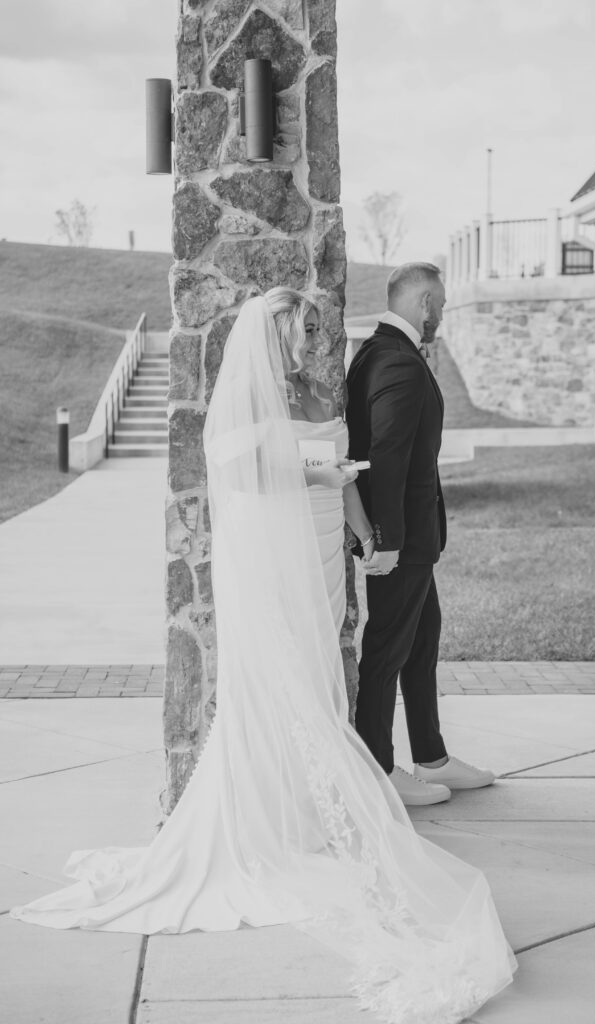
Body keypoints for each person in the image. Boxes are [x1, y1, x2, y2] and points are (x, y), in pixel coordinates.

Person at [10, 289, 515, 1023]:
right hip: (278, 570)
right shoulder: (242, 402)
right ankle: (276, 819)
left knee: (318, 680)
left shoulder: (316, 388)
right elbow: (240, 481)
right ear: (270, 334)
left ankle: (304, 810)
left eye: (314, 325)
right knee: (287, 692)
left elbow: (343, 465)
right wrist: (315, 476)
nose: (310, 336)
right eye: (299, 327)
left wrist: (366, 529)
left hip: (320, 562)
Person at [347, 263, 496, 805]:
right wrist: (382, 538)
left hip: (411, 538)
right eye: (443, 305)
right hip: (400, 540)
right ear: (425, 303)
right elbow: (385, 453)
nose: (443, 315)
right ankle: (378, 770)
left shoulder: (379, 349)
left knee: (423, 640)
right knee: (387, 648)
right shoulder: (396, 361)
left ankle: (432, 756)